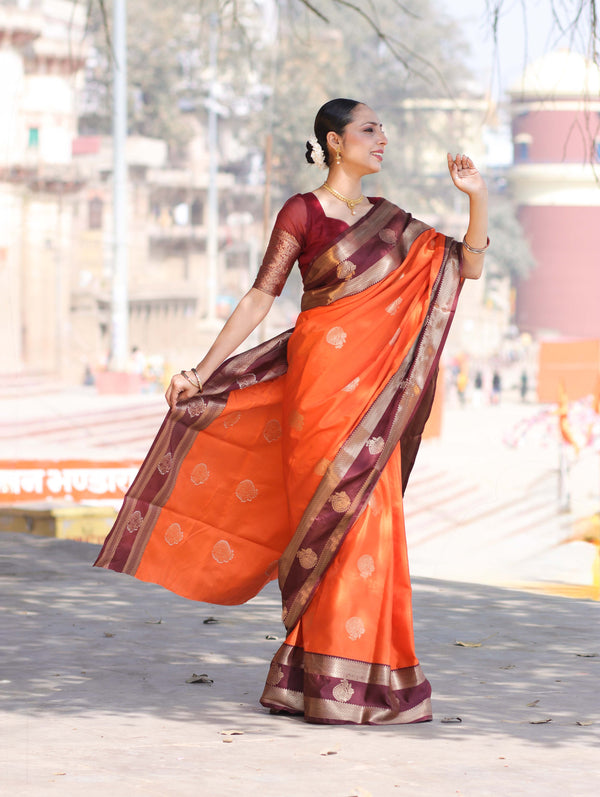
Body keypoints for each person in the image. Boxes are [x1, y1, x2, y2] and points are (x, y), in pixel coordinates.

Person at [94, 98, 488, 725]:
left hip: (374, 401)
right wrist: (203, 370)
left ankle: (361, 680)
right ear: (335, 142)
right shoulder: (302, 212)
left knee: (372, 524)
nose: (381, 137)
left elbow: (463, 266)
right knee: (326, 526)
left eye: (380, 128)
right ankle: (325, 680)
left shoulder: (393, 222)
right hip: (318, 392)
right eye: (369, 128)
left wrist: (475, 197)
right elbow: (259, 297)